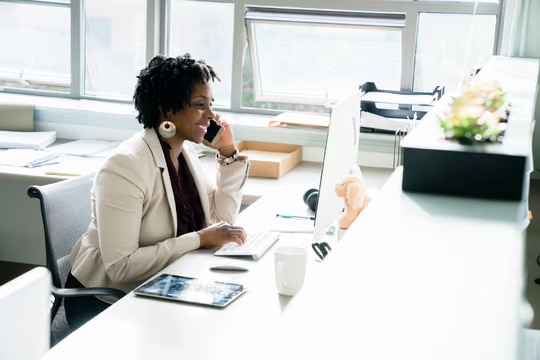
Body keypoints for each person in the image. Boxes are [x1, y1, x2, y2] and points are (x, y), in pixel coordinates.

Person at [64, 53, 250, 329]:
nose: (211, 117)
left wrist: (227, 152)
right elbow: (120, 267)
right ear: (167, 110)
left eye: (211, 105)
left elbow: (223, 218)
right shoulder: (125, 166)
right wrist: (199, 239)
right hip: (106, 302)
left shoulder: (184, 154)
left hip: (162, 284)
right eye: (200, 105)